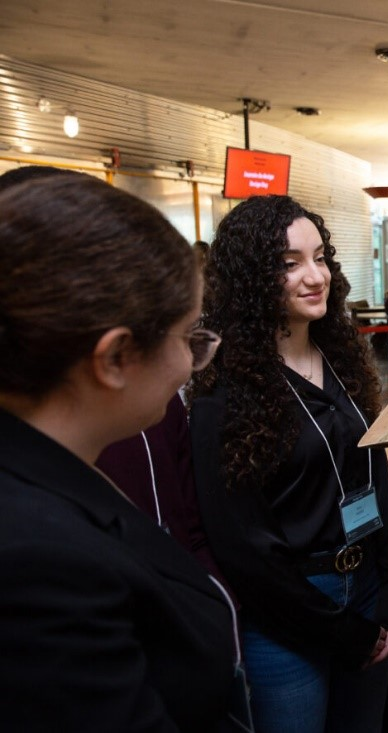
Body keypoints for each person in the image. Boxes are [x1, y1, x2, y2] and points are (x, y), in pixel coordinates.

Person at [0, 174, 239, 730]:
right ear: (113, 359)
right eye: (188, 336)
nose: (192, 362)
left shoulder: (51, 469)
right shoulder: (38, 562)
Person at [189, 195, 388, 733]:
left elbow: (375, 475)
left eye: (320, 257)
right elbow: (244, 549)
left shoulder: (340, 359)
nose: (315, 276)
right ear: (252, 279)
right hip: (289, 615)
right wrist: (341, 631)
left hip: (367, 592)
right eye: (290, 263)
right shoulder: (225, 392)